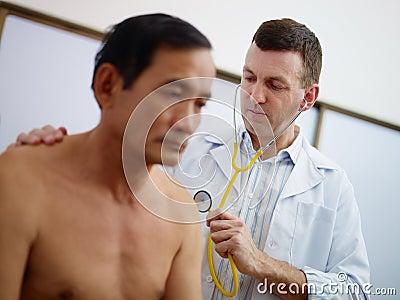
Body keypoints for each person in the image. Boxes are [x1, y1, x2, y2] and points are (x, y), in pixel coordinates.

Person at [11, 18, 370, 300]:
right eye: (248, 78)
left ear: (308, 98)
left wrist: (263, 265)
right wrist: (43, 153)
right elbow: (106, 173)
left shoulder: (331, 185)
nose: (254, 96)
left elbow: (356, 292)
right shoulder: (182, 146)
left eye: (274, 86)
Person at [0, 13, 216, 300]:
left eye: (199, 104)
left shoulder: (180, 210)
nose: (188, 123)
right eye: (173, 94)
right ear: (108, 85)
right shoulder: (20, 181)